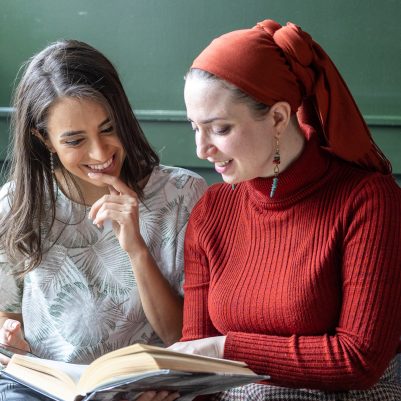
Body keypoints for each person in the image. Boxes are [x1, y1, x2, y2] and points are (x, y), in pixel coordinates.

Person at [167, 19, 401, 400]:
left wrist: (224, 349)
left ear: (278, 117)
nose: (201, 149)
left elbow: (359, 359)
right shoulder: (211, 210)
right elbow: (199, 361)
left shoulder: (368, 200)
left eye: (220, 129)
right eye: (194, 127)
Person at [0, 40, 207, 400]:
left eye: (108, 128)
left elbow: (182, 336)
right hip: (48, 390)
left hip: (148, 390)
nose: (100, 153)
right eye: (75, 140)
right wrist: (10, 335)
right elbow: (5, 318)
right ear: (44, 139)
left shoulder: (183, 193)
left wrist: (137, 250)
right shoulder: (14, 205)